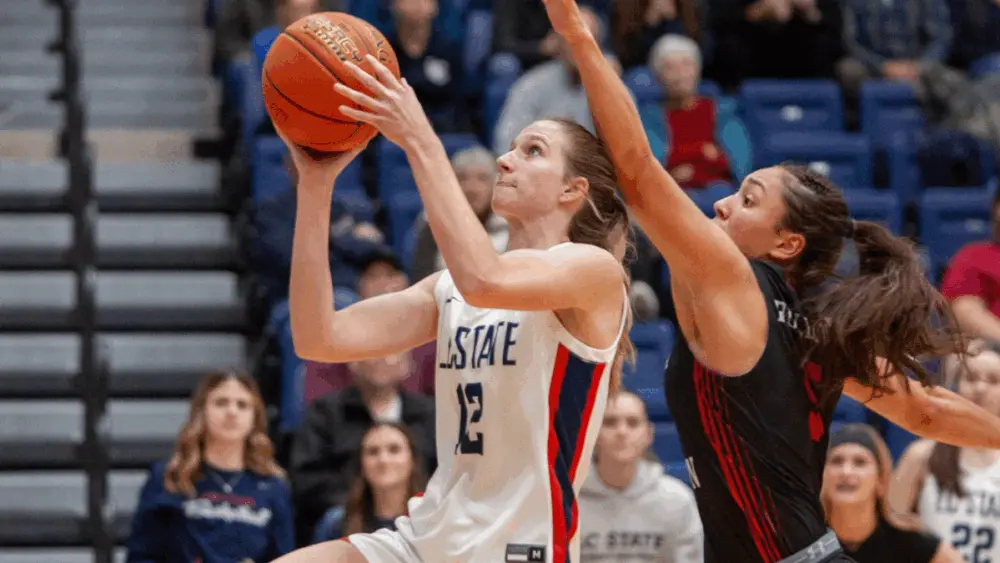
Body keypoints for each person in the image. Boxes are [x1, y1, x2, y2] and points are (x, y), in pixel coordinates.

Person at [539, 0, 1000, 562]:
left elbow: (636, 171)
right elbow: (925, 410)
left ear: (786, 244)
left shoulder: (736, 279)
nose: (724, 204)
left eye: (749, 200)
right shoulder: (813, 324)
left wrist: (580, 38)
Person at [271, 53, 634, 562]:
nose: (505, 160)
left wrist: (420, 138)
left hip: (517, 545)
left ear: (573, 189)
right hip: (428, 534)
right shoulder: (451, 289)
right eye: (510, 148)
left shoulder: (591, 272)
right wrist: (316, 184)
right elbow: (318, 336)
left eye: (532, 151)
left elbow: (487, 278)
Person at [125, 370, 293, 563]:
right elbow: (141, 556)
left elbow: (285, 558)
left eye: (242, 405)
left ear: (255, 418)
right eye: (221, 403)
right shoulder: (169, 477)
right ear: (202, 411)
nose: (232, 412)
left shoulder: (273, 487)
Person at [888, 340, 1000, 563]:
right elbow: (889, 527)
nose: (979, 388)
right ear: (955, 385)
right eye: (970, 378)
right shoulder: (921, 454)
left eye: (993, 380)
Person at [578, 391, 703, 563]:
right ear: (592, 432)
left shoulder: (677, 500)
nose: (621, 432)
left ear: (648, 434)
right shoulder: (568, 501)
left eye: (632, 422)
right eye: (610, 422)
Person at [822, 424, 962, 563]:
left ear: (881, 479)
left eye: (860, 462)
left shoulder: (912, 543)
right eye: (836, 461)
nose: (846, 472)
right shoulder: (808, 540)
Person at [313, 422, 429, 543]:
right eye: (373, 452)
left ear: (413, 460)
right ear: (361, 465)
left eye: (394, 450)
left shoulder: (435, 520)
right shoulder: (335, 523)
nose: (383, 460)